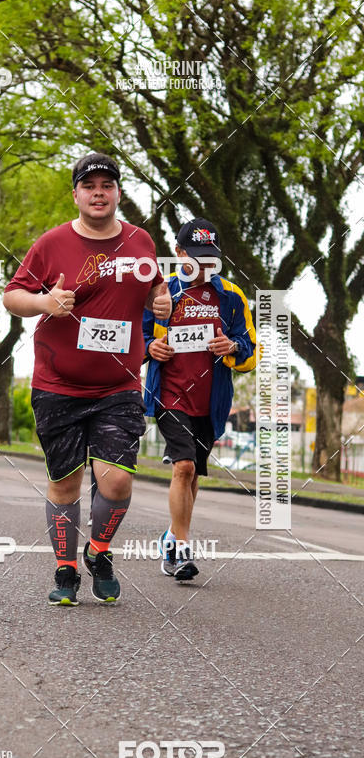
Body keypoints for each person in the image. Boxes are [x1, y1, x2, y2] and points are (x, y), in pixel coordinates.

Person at [3, 152, 171, 606]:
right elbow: (13, 296)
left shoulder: (140, 242)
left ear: (118, 193)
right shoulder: (52, 243)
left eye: (107, 185)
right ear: (76, 194)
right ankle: (66, 567)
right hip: (57, 384)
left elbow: (154, 286)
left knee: (116, 482)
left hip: (118, 387)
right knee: (66, 481)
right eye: (89, 186)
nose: (99, 193)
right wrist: (45, 303)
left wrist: (162, 300)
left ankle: (99, 551)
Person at [143, 218, 257, 581]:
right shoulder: (162, 295)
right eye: (197, 258)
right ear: (179, 254)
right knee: (184, 467)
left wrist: (232, 346)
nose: (204, 266)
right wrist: (151, 348)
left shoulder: (231, 296)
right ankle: (181, 551)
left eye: (211, 259)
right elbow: (136, 339)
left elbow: (251, 351)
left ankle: (171, 536)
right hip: (169, 394)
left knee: (194, 475)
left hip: (211, 401)